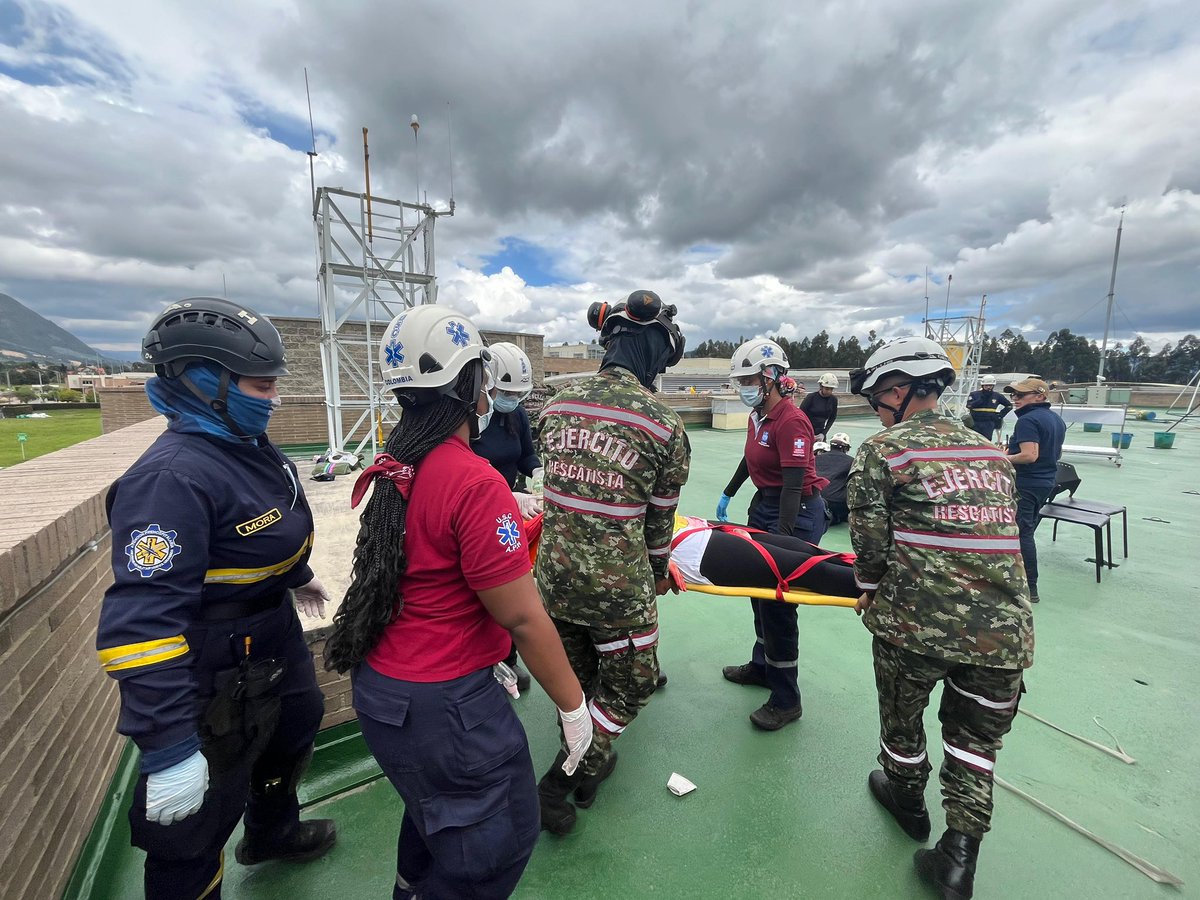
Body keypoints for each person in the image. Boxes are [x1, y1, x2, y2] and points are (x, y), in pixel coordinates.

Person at [324, 305, 589, 900]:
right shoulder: (474, 481)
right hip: (444, 708)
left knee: (431, 816)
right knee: (497, 845)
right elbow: (522, 616)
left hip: (384, 693)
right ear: (469, 384)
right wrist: (573, 708)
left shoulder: (400, 461)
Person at [96, 297, 336, 900]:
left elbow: (261, 524)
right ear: (206, 383)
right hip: (214, 658)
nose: (273, 399)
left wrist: (295, 574)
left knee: (294, 726)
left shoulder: (241, 443)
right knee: (195, 823)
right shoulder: (169, 481)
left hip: (271, 627)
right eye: (262, 385)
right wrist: (170, 747)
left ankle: (272, 833)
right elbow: (141, 627)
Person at [846, 337, 1034, 900]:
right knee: (975, 742)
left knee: (903, 719)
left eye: (879, 399)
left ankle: (908, 802)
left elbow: (870, 543)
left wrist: (869, 590)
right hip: (1003, 634)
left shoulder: (884, 450)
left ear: (900, 391)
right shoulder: (991, 453)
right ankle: (958, 858)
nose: (878, 411)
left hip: (915, 624)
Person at [535, 289, 691, 834]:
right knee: (632, 683)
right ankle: (558, 784)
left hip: (552, 581)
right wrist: (658, 573)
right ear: (654, 349)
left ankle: (589, 766)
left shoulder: (555, 407)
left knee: (576, 685)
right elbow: (658, 525)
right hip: (617, 592)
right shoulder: (664, 425)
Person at [717, 339, 828, 731]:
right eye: (740, 381)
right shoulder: (758, 415)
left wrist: (783, 541)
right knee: (757, 592)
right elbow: (750, 459)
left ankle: (786, 699)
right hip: (764, 505)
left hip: (794, 511)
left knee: (778, 603)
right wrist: (729, 492)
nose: (743, 387)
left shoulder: (791, 420)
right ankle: (763, 666)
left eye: (748, 380)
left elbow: (794, 486)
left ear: (771, 378)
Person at [472, 341, 542, 693]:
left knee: (514, 582)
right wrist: (505, 494)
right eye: (507, 392)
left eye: (517, 394)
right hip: (480, 508)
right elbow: (467, 467)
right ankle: (485, 661)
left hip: (511, 509)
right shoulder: (473, 419)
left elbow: (526, 455)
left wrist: (538, 474)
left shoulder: (517, 416)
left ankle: (509, 658)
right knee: (486, 588)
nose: (512, 399)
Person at [670, 514, 857, 598]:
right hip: (684, 550)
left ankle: (872, 574)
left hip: (685, 526)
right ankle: (873, 589)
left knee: (802, 548)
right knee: (808, 569)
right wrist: (660, 562)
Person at [1003, 377, 1066, 603]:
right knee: (1026, 529)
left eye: (1021, 395)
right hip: (1046, 482)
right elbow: (1055, 453)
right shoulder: (1056, 419)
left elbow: (1030, 455)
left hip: (1027, 483)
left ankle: (1029, 587)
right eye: (1014, 395)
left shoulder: (1027, 420)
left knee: (1022, 533)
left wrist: (1002, 457)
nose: (1015, 399)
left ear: (1040, 396)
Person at [816, 431, 853, 525]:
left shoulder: (816, 458)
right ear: (846, 448)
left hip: (816, 498)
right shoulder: (851, 461)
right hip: (837, 502)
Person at [965, 375, 1012, 440]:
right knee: (973, 440)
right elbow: (969, 405)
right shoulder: (974, 394)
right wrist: (981, 399)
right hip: (975, 422)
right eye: (986, 385)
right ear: (982, 385)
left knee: (987, 440)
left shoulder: (997, 396)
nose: (988, 387)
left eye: (990, 385)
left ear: (993, 385)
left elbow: (1009, 406)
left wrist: (1000, 415)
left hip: (988, 423)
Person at [800, 371, 840, 440]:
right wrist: (806, 432)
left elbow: (832, 417)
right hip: (806, 431)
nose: (829, 391)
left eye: (831, 389)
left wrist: (824, 433)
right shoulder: (811, 397)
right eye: (827, 388)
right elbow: (800, 414)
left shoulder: (833, 400)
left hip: (820, 433)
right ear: (821, 386)